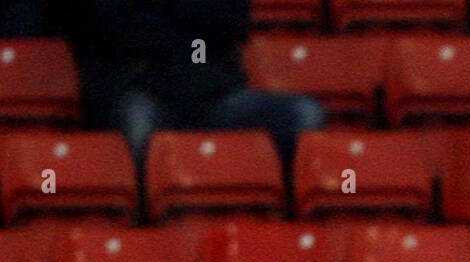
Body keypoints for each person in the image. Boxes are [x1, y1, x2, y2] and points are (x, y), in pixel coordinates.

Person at [53, 0, 325, 172]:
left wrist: (159, 14)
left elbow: (231, 20)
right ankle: (147, 237)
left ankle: (266, 218)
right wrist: (187, 21)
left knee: (303, 114)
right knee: (137, 128)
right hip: (142, 92)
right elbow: (108, 27)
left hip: (216, 97)